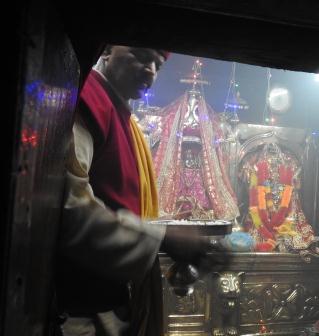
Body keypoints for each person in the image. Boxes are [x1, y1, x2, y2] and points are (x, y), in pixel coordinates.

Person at [55, 45, 227, 336]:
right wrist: (163, 238)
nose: (150, 70)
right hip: (78, 310)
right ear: (107, 50)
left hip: (111, 301)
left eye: (158, 65)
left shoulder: (122, 115)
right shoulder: (89, 103)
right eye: (141, 56)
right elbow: (69, 207)